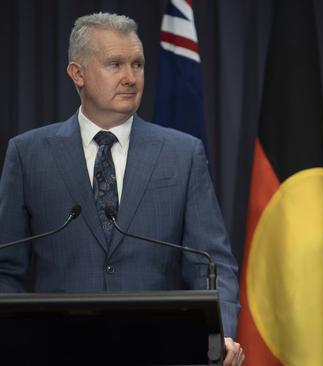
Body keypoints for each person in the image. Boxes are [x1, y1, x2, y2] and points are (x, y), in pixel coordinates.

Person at [0, 13, 244, 366]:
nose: (130, 78)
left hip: (161, 353)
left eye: (138, 64)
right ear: (77, 73)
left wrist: (220, 335)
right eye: (115, 64)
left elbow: (211, 264)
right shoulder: (28, 154)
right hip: (56, 352)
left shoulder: (182, 154)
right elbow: (6, 268)